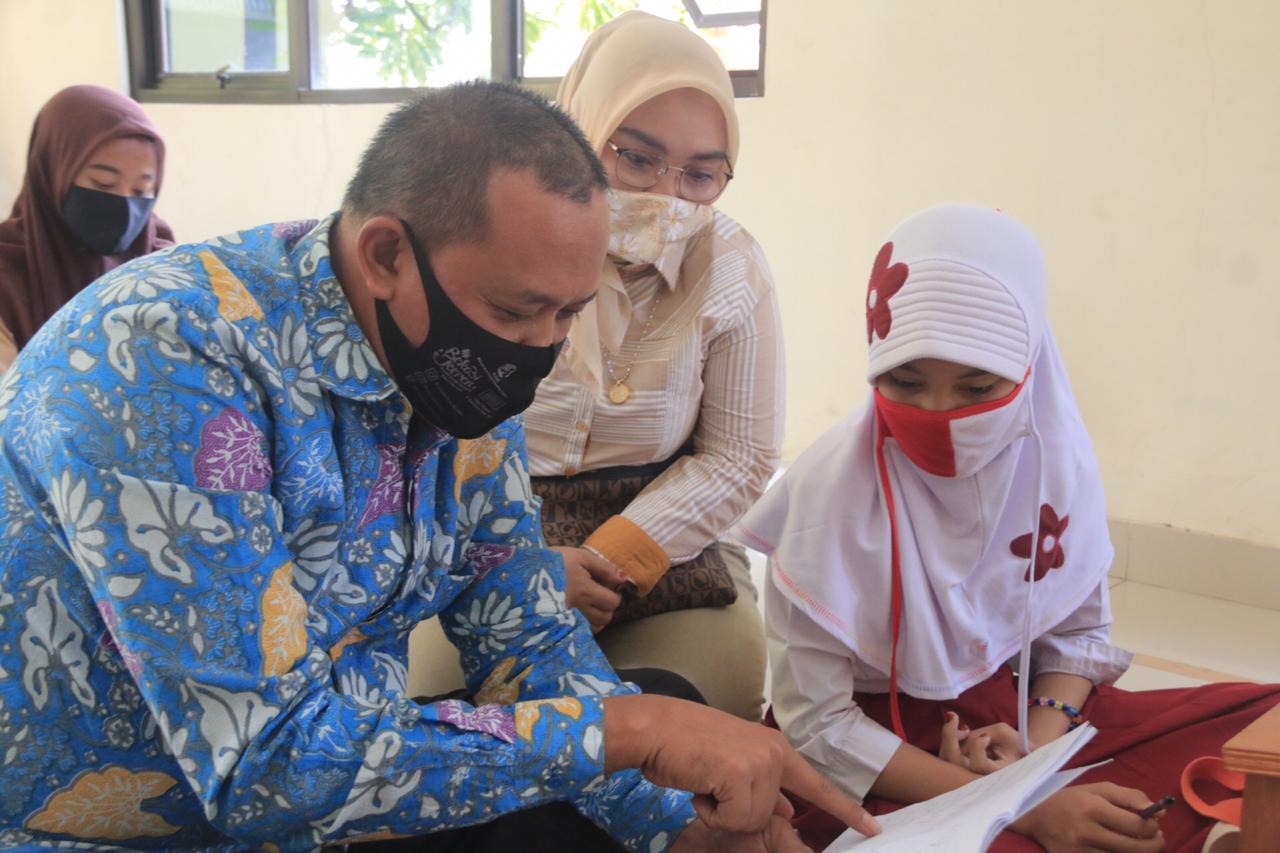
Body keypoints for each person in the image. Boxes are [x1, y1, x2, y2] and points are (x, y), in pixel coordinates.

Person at [0, 81, 876, 852]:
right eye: (516, 309)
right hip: (125, 828)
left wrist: (667, 822)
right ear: (385, 254)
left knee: (653, 715)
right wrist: (625, 734)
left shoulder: (457, 380)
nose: (541, 349)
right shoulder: (164, 357)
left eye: (568, 315)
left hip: (335, 794)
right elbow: (261, 771)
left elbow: (525, 635)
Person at [735, 204, 1280, 852]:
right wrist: (1024, 802)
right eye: (905, 383)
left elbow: (1077, 633)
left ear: (1029, 366)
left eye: (977, 386)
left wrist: (1034, 752)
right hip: (877, 758)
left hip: (1020, 721)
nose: (940, 415)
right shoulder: (830, 499)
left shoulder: (1051, 456)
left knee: (1258, 730)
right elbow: (818, 729)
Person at [526, 10, 782, 720]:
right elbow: (432, 434)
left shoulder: (731, 266)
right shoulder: (504, 240)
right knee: (469, 725)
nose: (666, 195)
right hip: (496, 545)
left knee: (687, 721)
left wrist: (612, 559)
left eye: (700, 173)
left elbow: (741, 456)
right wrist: (525, 573)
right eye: (634, 158)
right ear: (577, 128)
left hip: (668, 542)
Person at [0, 84, 174, 350]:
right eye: (103, 184)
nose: (125, 206)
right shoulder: (7, 275)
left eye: (141, 190)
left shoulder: (164, 264)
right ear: (52, 173)